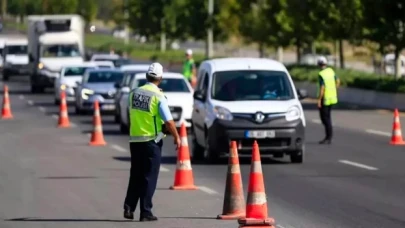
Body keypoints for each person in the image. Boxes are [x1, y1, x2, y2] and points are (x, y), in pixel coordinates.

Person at [123, 62, 181, 221]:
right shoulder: (158, 96)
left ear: (146, 76)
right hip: (151, 142)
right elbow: (168, 122)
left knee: (135, 175)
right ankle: (145, 212)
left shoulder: (134, 93)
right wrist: (176, 136)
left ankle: (128, 207)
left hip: (135, 141)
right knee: (149, 177)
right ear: (160, 78)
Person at [317, 56, 340, 144]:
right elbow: (338, 81)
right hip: (332, 98)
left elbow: (322, 88)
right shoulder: (330, 71)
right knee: (328, 118)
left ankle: (328, 137)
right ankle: (328, 137)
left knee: (325, 119)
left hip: (325, 98)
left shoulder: (321, 74)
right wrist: (334, 90)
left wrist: (319, 100)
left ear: (319, 64)